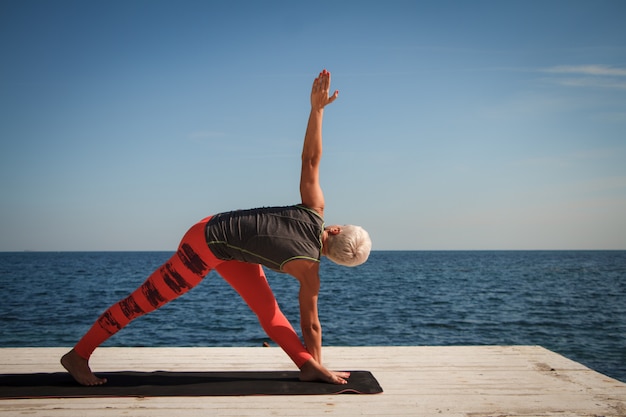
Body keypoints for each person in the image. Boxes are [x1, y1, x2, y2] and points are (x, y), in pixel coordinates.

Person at [61, 69, 372, 386]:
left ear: (335, 230)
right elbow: (312, 325)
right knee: (144, 300)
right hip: (205, 245)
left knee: (270, 313)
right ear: (335, 257)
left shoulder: (315, 208)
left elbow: (310, 159)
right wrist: (320, 360)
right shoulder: (310, 272)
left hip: (222, 240)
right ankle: (78, 355)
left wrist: (316, 110)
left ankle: (307, 366)